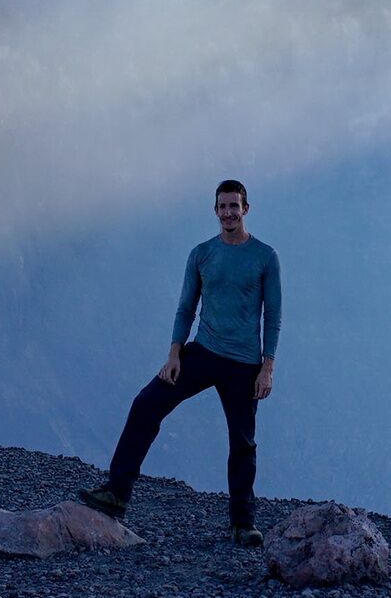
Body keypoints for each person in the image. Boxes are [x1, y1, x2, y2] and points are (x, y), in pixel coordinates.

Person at [80, 178, 283, 546]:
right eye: (222, 207)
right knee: (146, 404)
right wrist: (174, 354)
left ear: (246, 209)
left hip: (244, 363)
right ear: (215, 210)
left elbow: (274, 315)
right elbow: (186, 307)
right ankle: (117, 492)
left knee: (243, 442)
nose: (228, 213)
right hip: (202, 352)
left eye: (234, 206)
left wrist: (268, 367)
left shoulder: (265, 257)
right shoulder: (202, 253)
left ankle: (243, 523)